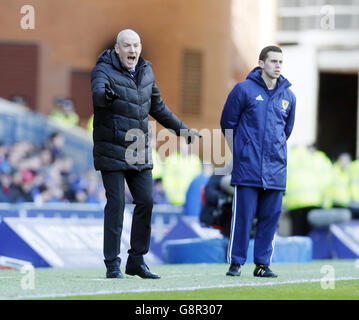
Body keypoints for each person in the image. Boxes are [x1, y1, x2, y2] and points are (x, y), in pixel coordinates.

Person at [91, 29, 200, 279]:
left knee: (147, 201)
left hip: (138, 149)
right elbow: (98, 93)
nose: (132, 50)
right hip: (111, 148)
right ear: (117, 49)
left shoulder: (146, 71)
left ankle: (136, 261)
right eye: (127, 46)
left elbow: (158, 107)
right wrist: (105, 97)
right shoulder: (102, 70)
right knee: (117, 204)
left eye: (136, 45)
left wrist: (183, 131)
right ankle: (112, 263)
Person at [220, 45, 296, 278]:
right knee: (242, 217)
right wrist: (241, 152)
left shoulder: (289, 96)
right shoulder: (243, 90)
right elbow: (227, 123)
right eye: (273, 61)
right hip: (248, 168)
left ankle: (262, 264)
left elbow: (287, 131)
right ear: (261, 63)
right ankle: (236, 262)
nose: (278, 66)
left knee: (270, 219)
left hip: (276, 170)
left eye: (280, 62)